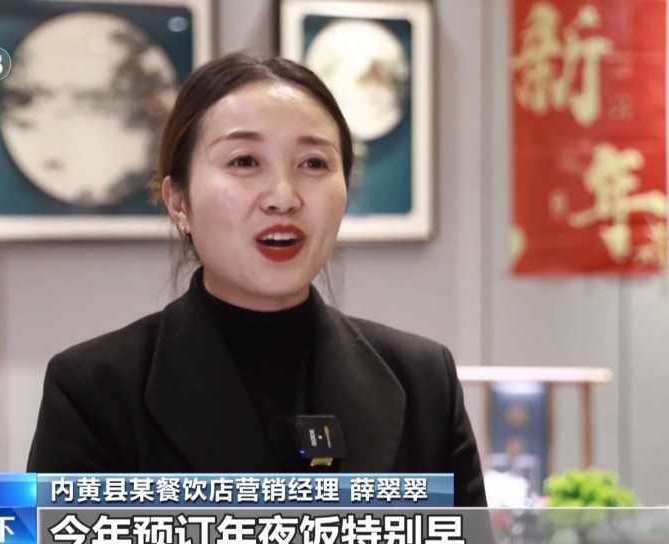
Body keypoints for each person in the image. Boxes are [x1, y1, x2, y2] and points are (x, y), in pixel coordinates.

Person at [27, 52, 487, 507]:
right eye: (245, 161)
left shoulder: (424, 381)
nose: (283, 198)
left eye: (314, 164)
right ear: (178, 201)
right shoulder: (93, 391)